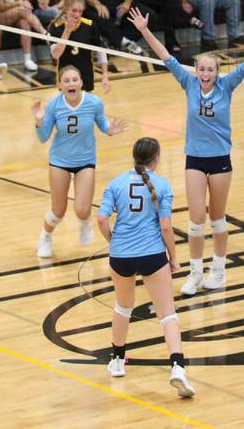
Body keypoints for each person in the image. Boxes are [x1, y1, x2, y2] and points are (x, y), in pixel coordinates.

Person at [128, 7, 244, 295]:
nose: (205, 73)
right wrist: (145, 30)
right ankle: (195, 273)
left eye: (210, 69)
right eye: (201, 69)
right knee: (196, 220)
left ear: (217, 72)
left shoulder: (227, 86)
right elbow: (165, 57)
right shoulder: (188, 83)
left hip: (221, 160)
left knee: (218, 219)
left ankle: (218, 271)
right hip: (195, 160)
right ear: (196, 71)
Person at [97, 137, 195, 398]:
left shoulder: (116, 183)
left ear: (134, 157)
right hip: (152, 255)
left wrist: (114, 242)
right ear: (157, 158)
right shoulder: (162, 185)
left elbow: (101, 218)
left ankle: (117, 361)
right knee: (168, 314)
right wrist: (173, 258)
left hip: (121, 256)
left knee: (123, 307)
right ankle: (177, 368)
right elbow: (165, 226)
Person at [32, 65, 129, 258]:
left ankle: (85, 223)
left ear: (81, 83)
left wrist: (110, 130)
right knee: (58, 211)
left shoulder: (93, 102)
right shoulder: (54, 105)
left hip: (85, 160)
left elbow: (102, 124)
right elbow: (43, 138)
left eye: (75, 80)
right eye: (66, 81)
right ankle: (46, 237)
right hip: (59, 160)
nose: (71, 84)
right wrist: (39, 121)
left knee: (82, 210)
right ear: (60, 85)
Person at [49, 0, 110, 94]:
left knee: (86, 108)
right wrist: (67, 31)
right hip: (66, 79)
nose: (77, 14)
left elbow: (101, 51)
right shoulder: (56, 27)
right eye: (74, 10)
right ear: (66, 9)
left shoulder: (89, 26)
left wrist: (105, 76)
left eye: (80, 11)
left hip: (85, 77)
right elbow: (56, 55)